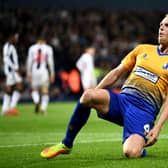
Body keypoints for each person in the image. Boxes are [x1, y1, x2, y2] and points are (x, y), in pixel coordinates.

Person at [40, 14, 168, 159]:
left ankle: (138, 143)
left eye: (167, 26)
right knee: (88, 95)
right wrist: (97, 90)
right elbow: (116, 72)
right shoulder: (143, 49)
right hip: (122, 101)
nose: (162, 28)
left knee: (131, 152)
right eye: (161, 25)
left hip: (143, 111)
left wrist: (158, 127)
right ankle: (66, 144)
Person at [26, 36, 55, 115]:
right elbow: (50, 62)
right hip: (43, 71)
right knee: (45, 91)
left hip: (34, 70)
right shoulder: (48, 48)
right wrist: (52, 73)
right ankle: (43, 108)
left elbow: (29, 61)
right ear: (44, 40)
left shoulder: (32, 48)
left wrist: (28, 73)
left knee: (34, 89)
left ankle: (36, 100)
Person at [1, 32, 23, 116]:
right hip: (12, 71)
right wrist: (15, 68)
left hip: (12, 70)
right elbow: (6, 59)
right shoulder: (8, 46)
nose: (16, 39)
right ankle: (11, 107)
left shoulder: (11, 46)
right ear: (11, 38)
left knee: (10, 89)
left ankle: (6, 108)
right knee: (18, 86)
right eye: (15, 37)